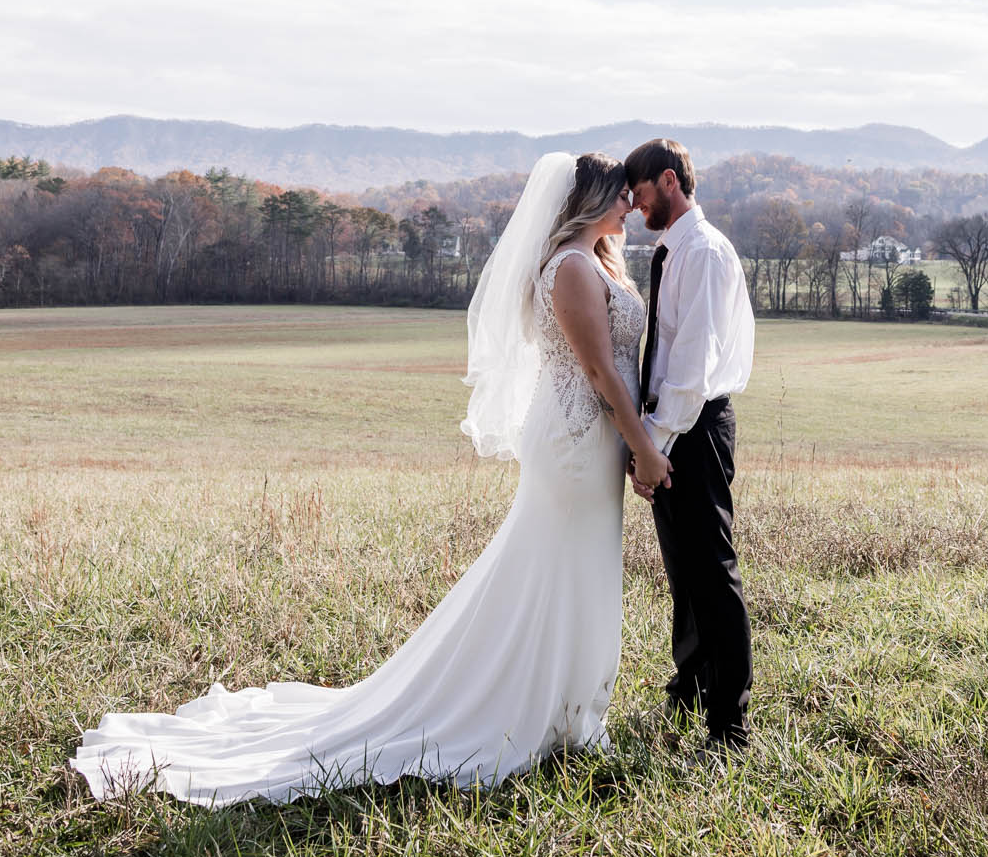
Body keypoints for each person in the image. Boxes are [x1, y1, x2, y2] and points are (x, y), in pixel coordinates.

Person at [70, 151, 669, 804]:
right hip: (578, 439)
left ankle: (571, 710)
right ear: (589, 199)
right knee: (556, 567)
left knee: (577, 567)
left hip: (594, 440)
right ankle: (536, 710)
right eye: (618, 196)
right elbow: (600, 372)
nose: (629, 206)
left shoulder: (597, 260)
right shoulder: (573, 268)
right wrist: (645, 448)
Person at [622, 137, 757, 748]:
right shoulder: (674, 251)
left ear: (670, 182)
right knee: (684, 571)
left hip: (694, 426)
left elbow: (692, 369)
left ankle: (729, 721)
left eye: (641, 191)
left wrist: (653, 444)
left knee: (712, 570)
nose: (635, 204)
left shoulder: (700, 252)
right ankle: (691, 684)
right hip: (675, 425)